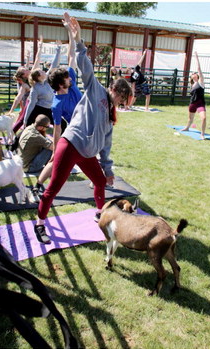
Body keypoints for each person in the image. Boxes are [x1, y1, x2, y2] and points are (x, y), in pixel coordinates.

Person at [33, 14, 132, 244]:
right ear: (115, 90)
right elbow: (85, 66)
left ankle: (102, 215)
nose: (120, 102)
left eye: (123, 100)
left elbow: (106, 144)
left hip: (87, 153)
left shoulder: (110, 114)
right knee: (54, 188)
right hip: (71, 144)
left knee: (99, 182)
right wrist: (77, 40)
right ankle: (40, 224)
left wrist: (107, 169)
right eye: (121, 97)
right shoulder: (96, 90)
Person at [31, 12, 83, 197]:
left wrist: (69, 31)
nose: (71, 77)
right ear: (61, 84)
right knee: (57, 159)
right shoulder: (57, 104)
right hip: (75, 130)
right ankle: (38, 184)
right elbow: (57, 129)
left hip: (88, 126)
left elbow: (71, 57)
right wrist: (55, 148)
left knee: (93, 154)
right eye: (68, 77)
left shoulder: (72, 82)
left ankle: (100, 181)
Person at [23, 38, 62, 127]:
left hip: (50, 109)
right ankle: (17, 140)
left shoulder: (47, 80)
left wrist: (58, 49)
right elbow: (31, 104)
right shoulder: (35, 88)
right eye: (41, 72)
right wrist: (25, 119)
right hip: (39, 110)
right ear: (38, 77)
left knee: (62, 124)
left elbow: (54, 65)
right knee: (28, 126)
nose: (44, 72)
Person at [181, 52, 206, 140]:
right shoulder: (192, 85)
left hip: (200, 104)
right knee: (190, 118)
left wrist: (196, 57)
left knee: (203, 118)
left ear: (197, 75)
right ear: (191, 77)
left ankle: (202, 134)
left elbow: (199, 69)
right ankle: (187, 127)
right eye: (192, 73)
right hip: (192, 103)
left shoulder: (200, 82)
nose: (194, 73)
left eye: (195, 73)